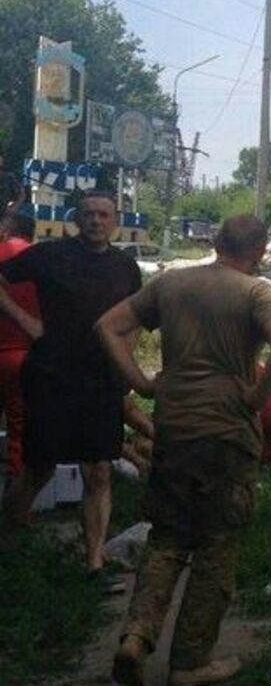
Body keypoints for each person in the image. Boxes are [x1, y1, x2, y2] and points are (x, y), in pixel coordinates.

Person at [96, 214, 271, 686]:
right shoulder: (256, 291)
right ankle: (189, 663)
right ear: (261, 251)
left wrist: (142, 383)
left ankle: (136, 637)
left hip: (174, 428)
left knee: (166, 539)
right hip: (227, 434)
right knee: (216, 545)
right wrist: (256, 397)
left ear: (215, 241)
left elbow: (108, 326)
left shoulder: (170, 283)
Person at [0, 191, 140, 585]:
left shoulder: (125, 266)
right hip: (52, 376)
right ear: (76, 219)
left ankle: (94, 561)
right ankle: (10, 541)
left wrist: (126, 364)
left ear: (115, 220)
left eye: (104, 214)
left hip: (101, 381)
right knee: (38, 467)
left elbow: (137, 315)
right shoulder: (50, 255)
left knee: (99, 469)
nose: (96, 221)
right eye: (89, 214)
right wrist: (27, 323)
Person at [0, 211, 38, 480]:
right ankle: (14, 493)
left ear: (6, 229)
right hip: (24, 354)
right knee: (20, 425)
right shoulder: (42, 259)